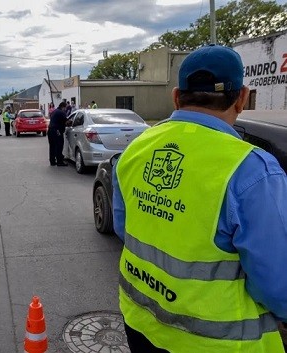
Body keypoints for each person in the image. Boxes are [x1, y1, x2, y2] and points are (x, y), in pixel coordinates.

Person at [112, 44, 287, 353]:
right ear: (242, 98)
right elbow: (278, 285)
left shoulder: (134, 150)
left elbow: (123, 227)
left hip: (141, 322)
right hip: (218, 344)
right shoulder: (251, 171)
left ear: (177, 96)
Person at [47, 101, 68, 166]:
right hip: (56, 131)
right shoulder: (61, 112)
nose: (66, 109)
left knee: (52, 146)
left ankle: (52, 161)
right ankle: (59, 161)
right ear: (63, 107)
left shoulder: (55, 111)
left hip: (50, 130)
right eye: (65, 108)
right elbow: (67, 121)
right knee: (59, 145)